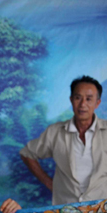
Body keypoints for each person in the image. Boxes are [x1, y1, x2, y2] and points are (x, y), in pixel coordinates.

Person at [20, 75, 106, 205]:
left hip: (102, 211)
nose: (83, 104)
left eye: (89, 99)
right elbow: (27, 153)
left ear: (97, 103)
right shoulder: (55, 132)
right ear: (71, 100)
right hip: (66, 210)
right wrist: (49, 183)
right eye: (78, 98)